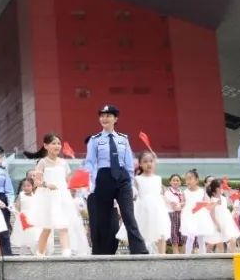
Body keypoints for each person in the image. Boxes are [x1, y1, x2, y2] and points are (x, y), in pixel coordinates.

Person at [83, 104, 147, 255]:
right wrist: (91, 182)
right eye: (102, 116)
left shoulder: (123, 139)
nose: (104, 118)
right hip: (104, 178)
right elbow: (90, 162)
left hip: (122, 177)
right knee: (103, 217)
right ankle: (103, 252)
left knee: (128, 214)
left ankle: (139, 249)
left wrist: (131, 183)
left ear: (115, 119)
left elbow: (129, 162)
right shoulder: (94, 140)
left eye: (108, 116)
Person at [26, 134, 74, 256]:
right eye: (53, 143)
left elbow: (69, 181)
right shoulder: (42, 162)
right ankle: (40, 254)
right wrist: (47, 185)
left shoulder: (64, 163)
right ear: (46, 146)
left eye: (58, 143)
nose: (57, 146)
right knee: (47, 228)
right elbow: (36, 182)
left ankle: (66, 254)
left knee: (63, 226)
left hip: (62, 197)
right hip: (47, 198)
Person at [133, 151, 171, 254]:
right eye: (145, 161)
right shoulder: (137, 179)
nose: (149, 164)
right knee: (143, 233)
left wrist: (170, 203)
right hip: (143, 210)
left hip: (158, 210)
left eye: (151, 161)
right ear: (140, 164)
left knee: (161, 232)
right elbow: (135, 196)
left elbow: (161, 194)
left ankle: (162, 256)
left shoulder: (158, 178)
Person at [178, 169, 214, 254]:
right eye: (186, 179)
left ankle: (203, 256)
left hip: (200, 216)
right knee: (191, 236)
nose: (188, 181)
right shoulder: (185, 192)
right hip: (189, 216)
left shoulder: (202, 191)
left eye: (190, 178)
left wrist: (205, 205)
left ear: (197, 180)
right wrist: (180, 205)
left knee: (201, 238)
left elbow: (208, 203)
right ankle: (187, 256)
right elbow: (183, 203)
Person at [164, 174, 186, 254]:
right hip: (172, 216)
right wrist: (181, 204)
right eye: (173, 180)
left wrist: (181, 205)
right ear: (170, 182)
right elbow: (174, 206)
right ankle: (175, 255)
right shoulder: (168, 193)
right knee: (174, 235)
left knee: (183, 236)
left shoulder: (182, 193)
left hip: (181, 216)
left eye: (177, 180)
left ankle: (183, 256)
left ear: (180, 182)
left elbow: (184, 204)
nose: (175, 182)